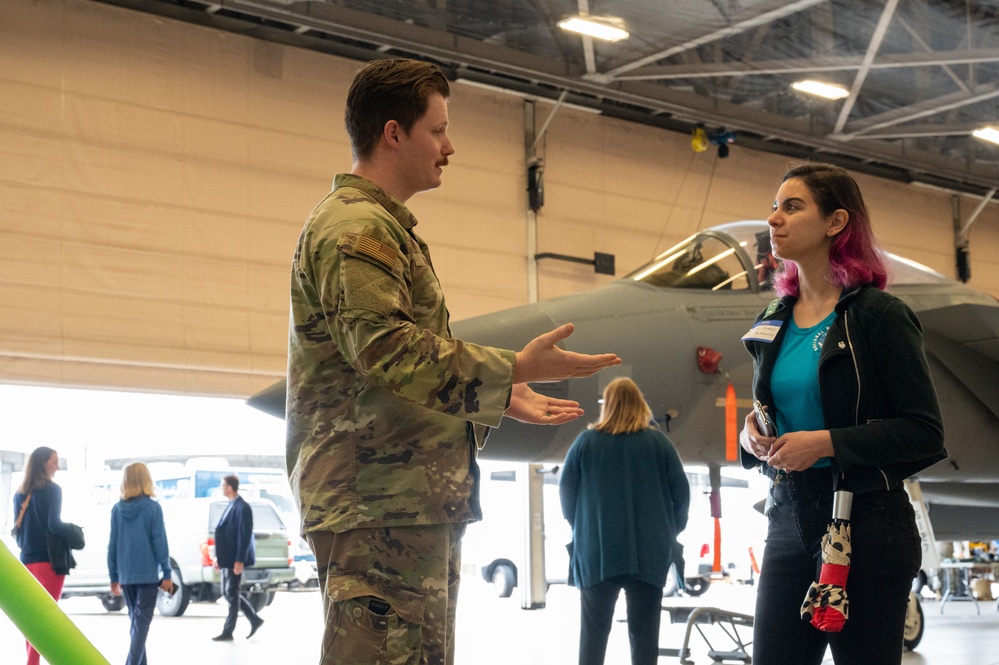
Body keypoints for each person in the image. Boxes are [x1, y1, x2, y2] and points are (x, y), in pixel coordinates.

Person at [286, 57, 621, 665]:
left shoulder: (384, 226)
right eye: (437, 130)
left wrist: (494, 395)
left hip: (403, 498)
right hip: (377, 502)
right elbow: (384, 349)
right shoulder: (357, 227)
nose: (450, 146)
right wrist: (511, 370)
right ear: (393, 133)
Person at [739, 162, 946, 665]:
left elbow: (924, 431)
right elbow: (771, 410)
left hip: (867, 521)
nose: (774, 219)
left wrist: (828, 442)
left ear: (835, 222)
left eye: (792, 206)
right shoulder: (773, 319)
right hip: (788, 516)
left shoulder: (879, 316)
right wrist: (752, 438)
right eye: (774, 207)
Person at [559, 377, 690, 665]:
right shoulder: (658, 444)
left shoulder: (586, 442)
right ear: (639, 405)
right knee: (644, 640)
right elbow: (681, 493)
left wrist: (580, 527)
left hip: (596, 554)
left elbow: (566, 492)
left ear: (608, 406)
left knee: (592, 637)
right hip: (649, 554)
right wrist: (670, 530)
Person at [108, 462, 174, 665]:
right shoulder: (153, 508)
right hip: (147, 576)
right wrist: (167, 572)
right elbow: (159, 542)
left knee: (136, 625)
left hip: (127, 576)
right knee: (141, 625)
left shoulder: (117, 510)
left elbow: (113, 544)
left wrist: (114, 576)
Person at [12, 446, 67, 665]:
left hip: (26, 562)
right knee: (46, 619)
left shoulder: (20, 493)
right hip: (49, 563)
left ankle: (31, 662)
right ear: (43, 463)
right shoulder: (54, 490)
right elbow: (54, 525)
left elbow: (17, 533)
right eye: (54, 461)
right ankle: (32, 663)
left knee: (31, 619)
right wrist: (73, 531)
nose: (57, 466)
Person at [211, 474, 264, 641]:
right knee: (228, 593)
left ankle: (229, 631)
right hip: (227, 558)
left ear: (230, 487)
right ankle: (254, 619)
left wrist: (239, 560)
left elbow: (244, 535)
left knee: (231, 593)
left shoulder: (243, 507)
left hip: (235, 559)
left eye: (222, 485)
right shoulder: (231, 505)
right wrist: (218, 557)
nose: (221, 488)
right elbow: (225, 535)